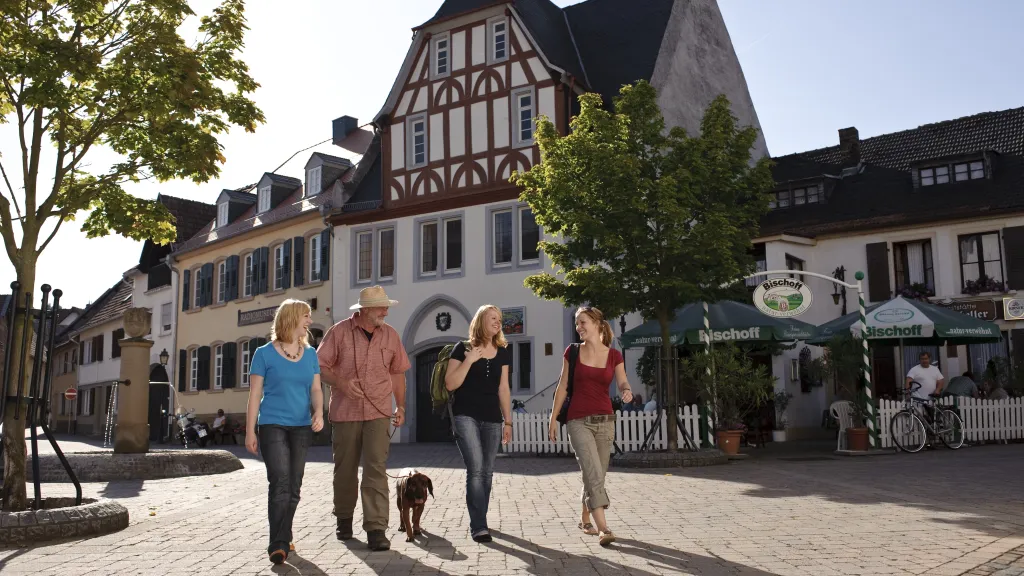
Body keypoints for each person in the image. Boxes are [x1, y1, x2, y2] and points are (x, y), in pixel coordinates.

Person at [317, 286, 410, 551]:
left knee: (376, 469)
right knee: (345, 471)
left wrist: (400, 406)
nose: (386, 311)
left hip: (379, 412)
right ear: (365, 310)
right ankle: (344, 518)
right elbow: (320, 366)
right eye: (381, 307)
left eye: (386, 306)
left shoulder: (391, 335)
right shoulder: (339, 332)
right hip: (345, 412)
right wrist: (342, 383)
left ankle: (376, 529)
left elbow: (398, 373)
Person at [244, 299, 324, 565]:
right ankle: (278, 544)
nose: (309, 322)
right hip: (272, 425)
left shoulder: (310, 354)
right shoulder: (263, 354)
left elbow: (315, 389)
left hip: (301, 426)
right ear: (291, 318)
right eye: (306, 316)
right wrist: (250, 431)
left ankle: (285, 533)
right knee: (280, 483)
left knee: (294, 487)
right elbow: (255, 395)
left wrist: (319, 412)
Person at [548, 306, 633, 547]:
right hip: (578, 421)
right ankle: (603, 528)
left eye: (583, 322)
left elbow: (623, 380)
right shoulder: (572, 352)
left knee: (597, 475)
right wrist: (553, 418)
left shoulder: (614, 355)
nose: (579, 327)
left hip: (605, 421)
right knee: (593, 473)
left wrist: (626, 390)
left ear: (597, 323)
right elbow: (562, 386)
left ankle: (585, 517)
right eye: (576, 323)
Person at [444, 304, 513, 543]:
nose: (498, 322)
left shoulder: (503, 351)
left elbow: (503, 388)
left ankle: (480, 519)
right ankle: (479, 526)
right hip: (466, 415)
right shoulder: (462, 349)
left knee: (487, 471)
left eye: (499, 318)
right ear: (480, 321)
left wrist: (508, 422)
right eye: (492, 317)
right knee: (476, 469)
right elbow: (451, 384)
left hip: (492, 417)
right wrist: (470, 360)